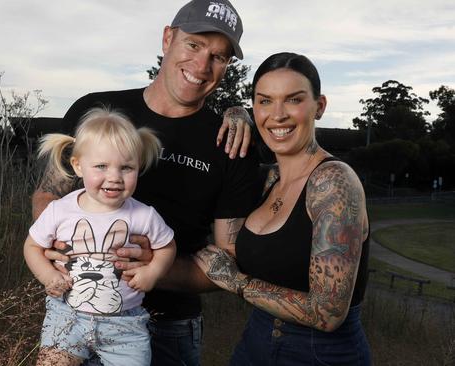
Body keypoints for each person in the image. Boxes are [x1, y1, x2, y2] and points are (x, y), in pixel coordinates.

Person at [32, 1, 261, 364]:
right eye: (194, 45)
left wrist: (156, 267)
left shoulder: (232, 145)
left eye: (218, 57)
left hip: (168, 327)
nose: (202, 67)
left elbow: (229, 262)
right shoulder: (97, 111)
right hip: (74, 311)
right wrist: (56, 249)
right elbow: (48, 192)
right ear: (167, 38)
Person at [194, 52, 371, 365]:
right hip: (257, 339)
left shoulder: (333, 182)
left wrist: (237, 282)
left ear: (320, 106)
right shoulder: (266, 180)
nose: (277, 115)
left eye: (293, 100)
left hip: (321, 352)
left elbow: (328, 313)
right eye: (264, 101)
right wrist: (234, 112)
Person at [25, 107, 177, 366]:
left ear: (138, 167)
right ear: (78, 166)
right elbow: (32, 246)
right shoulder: (60, 210)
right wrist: (48, 276)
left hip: (125, 324)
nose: (114, 177)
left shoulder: (143, 215)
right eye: (101, 166)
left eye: (126, 167)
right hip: (66, 315)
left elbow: (167, 247)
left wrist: (152, 273)